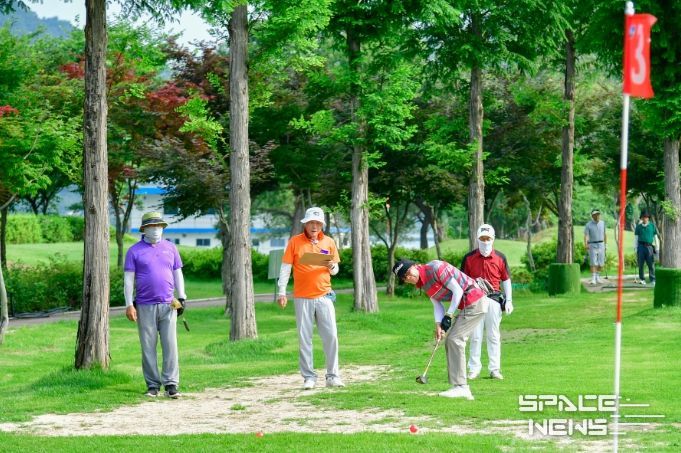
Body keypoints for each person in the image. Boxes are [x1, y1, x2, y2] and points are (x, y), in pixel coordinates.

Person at [393, 258, 492, 400]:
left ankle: (461, 387)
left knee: (455, 340)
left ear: (415, 266)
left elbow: (457, 291)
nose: (408, 277)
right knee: (452, 340)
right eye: (404, 277)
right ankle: (459, 386)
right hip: (468, 304)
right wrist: (438, 325)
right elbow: (437, 304)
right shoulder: (423, 284)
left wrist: (449, 315)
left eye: (408, 272)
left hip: (475, 300)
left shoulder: (436, 268)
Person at [277, 207, 343, 390]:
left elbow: (335, 271)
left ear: (322, 225)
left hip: (324, 296)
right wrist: (282, 292)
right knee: (305, 338)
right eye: (311, 223)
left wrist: (331, 266)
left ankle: (333, 376)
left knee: (331, 336)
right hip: (302, 297)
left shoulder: (329, 242)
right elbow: (285, 268)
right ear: (305, 224)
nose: (314, 226)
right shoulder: (295, 242)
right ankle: (309, 377)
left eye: (318, 223)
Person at [124, 212, 187, 398]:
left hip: (169, 304)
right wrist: (129, 304)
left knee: (170, 345)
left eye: (159, 226)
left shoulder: (171, 248)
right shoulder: (134, 251)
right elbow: (128, 280)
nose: (156, 230)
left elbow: (177, 273)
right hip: (144, 305)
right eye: (152, 226)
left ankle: (171, 384)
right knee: (148, 346)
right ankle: (152, 385)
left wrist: (182, 297)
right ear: (144, 229)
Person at [461, 224, 513, 381]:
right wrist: (463, 302)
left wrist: (509, 300)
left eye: (488, 239)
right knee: (475, 336)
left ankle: (494, 369)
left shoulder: (500, 257)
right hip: (474, 300)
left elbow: (506, 279)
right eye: (482, 239)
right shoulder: (469, 258)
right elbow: (462, 280)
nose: (485, 242)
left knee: (493, 335)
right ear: (477, 239)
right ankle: (474, 368)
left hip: (494, 300)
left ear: (493, 239)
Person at [634, 211, 659, 286]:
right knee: (641, 264)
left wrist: (657, 247)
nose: (645, 218)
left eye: (646, 217)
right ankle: (642, 279)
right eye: (643, 217)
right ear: (641, 218)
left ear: (648, 218)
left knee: (651, 264)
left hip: (649, 247)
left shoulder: (652, 226)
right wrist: (635, 248)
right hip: (641, 247)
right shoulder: (638, 227)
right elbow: (636, 238)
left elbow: (655, 237)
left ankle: (652, 279)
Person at [584, 209, 607, 285]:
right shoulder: (588, 225)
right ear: (592, 216)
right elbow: (586, 235)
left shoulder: (603, 223)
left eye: (598, 214)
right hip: (592, 244)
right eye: (595, 215)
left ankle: (597, 277)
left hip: (601, 244)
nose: (597, 216)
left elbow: (605, 234)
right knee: (593, 262)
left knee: (601, 262)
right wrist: (586, 244)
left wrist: (606, 245)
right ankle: (593, 278)